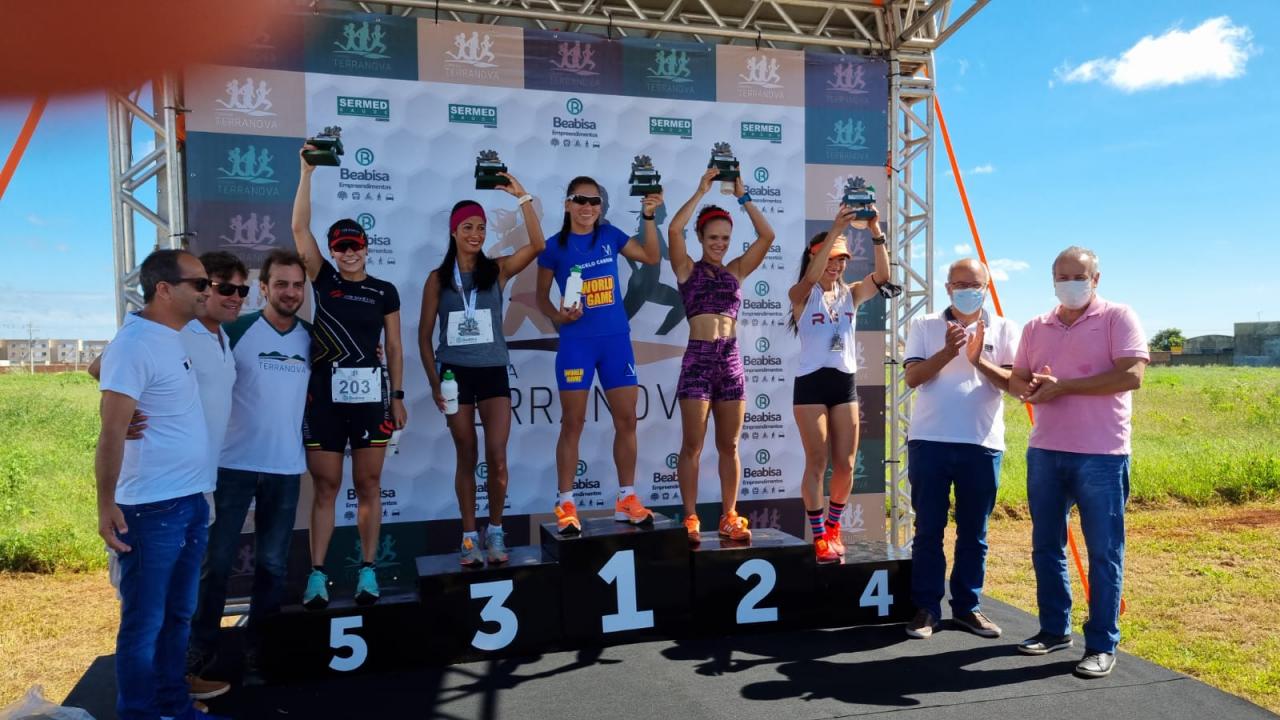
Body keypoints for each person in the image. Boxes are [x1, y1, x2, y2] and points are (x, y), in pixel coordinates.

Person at [90, 250, 247, 704]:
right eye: (200, 284)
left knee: (179, 614)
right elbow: (110, 431)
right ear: (164, 289)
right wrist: (105, 505)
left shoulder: (173, 336)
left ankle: (174, 706)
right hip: (152, 506)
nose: (209, 291)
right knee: (145, 622)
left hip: (192, 496)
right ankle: (141, 712)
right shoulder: (135, 342)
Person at [1011, 246, 1147, 679]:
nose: (1069, 284)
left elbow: (1132, 376)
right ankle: (1054, 629)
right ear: (1052, 279)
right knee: (1045, 546)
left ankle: (1102, 643)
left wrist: (1063, 387)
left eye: (1078, 276)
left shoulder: (1118, 317)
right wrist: (1028, 385)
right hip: (1046, 450)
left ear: (1096, 279)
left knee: (1104, 552)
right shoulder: (1036, 326)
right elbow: (1018, 378)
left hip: (1102, 455)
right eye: (1060, 276)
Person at [187, 249, 310, 687]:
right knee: (214, 563)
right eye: (281, 284)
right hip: (231, 467)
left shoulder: (312, 338)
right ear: (263, 288)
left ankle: (261, 648)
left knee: (273, 566)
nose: (290, 292)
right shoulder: (233, 329)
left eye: (297, 285)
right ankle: (199, 651)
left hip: (285, 467)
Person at [292, 144, 407, 608]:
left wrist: (397, 395)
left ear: (367, 247)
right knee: (325, 487)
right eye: (340, 245)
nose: (348, 251)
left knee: (369, 486)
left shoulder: (385, 290)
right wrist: (306, 173)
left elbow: (395, 346)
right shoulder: (323, 279)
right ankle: (317, 575)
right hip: (324, 399)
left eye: (355, 244)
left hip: (371, 399)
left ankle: (367, 571)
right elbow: (300, 228)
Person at [418, 174, 545, 566]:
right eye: (468, 228)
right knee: (466, 454)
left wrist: (521, 196)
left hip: (493, 373)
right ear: (454, 233)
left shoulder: (498, 270)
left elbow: (538, 245)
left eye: (481, 228)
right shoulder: (438, 280)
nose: (475, 234)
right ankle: (469, 535)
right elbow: (424, 337)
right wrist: (435, 383)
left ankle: (496, 531)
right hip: (455, 376)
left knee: (498, 456)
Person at [535, 176, 662, 534]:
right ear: (567, 204)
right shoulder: (553, 247)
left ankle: (626, 498)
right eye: (580, 200)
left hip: (616, 341)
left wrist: (649, 217)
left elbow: (651, 256)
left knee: (627, 420)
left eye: (594, 201)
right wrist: (559, 316)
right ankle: (566, 500)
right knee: (572, 423)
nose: (587, 207)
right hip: (577, 343)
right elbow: (542, 297)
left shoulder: (610, 235)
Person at [902, 258, 1019, 640]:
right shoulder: (924, 325)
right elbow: (913, 377)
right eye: (960, 284)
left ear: (987, 287)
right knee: (928, 529)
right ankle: (926, 609)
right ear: (948, 287)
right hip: (930, 442)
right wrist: (948, 352)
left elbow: (1012, 383)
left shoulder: (1003, 327)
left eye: (976, 284)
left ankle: (968, 608)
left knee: (975, 532)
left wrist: (978, 358)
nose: (969, 290)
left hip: (982, 444)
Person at [666, 167, 776, 544]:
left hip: (730, 361)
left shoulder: (737, 270)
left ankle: (730, 515)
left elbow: (767, 235)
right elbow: (672, 232)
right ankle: (691, 517)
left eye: (725, 238)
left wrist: (743, 197)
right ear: (700, 237)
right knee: (692, 445)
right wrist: (700, 190)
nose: (720, 244)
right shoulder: (686, 269)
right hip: (697, 359)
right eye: (713, 237)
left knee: (729, 446)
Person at [787, 205, 889, 563]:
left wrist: (875, 230)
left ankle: (833, 528)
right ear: (815, 257)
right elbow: (809, 281)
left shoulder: (852, 293)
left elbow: (883, 274)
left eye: (842, 258)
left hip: (844, 384)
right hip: (810, 386)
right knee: (817, 461)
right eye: (830, 257)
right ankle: (818, 535)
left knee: (845, 463)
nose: (837, 264)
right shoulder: (802, 293)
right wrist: (833, 231)